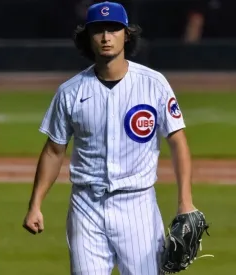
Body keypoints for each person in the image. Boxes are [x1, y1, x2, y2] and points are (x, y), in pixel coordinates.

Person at [22, 2, 201, 274]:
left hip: (137, 206)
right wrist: (35, 205)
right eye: (98, 30)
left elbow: (177, 141)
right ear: (88, 37)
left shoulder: (153, 84)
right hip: (86, 207)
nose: (106, 37)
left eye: (113, 29)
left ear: (126, 34)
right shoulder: (70, 92)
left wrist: (185, 202)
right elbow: (53, 151)